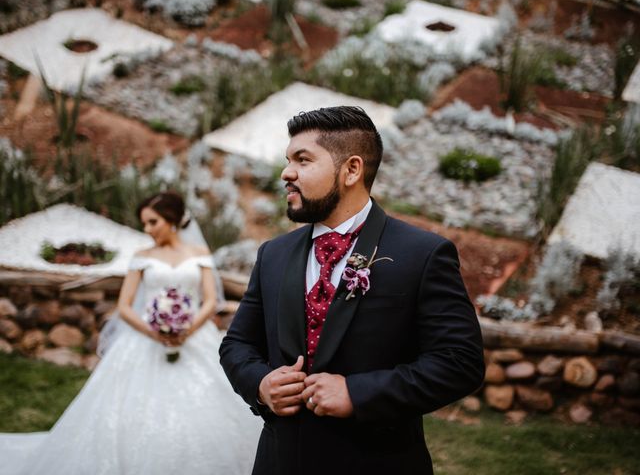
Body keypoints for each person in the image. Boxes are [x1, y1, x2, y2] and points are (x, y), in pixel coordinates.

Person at [219, 106, 485, 475]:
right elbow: (236, 345)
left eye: (303, 160)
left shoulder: (422, 254)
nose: (286, 172)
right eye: (288, 160)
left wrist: (358, 393)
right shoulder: (273, 255)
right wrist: (261, 384)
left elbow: (460, 362)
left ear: (352, 170)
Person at [0, 191, 261, 475]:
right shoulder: (142, 257)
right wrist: (154, 331)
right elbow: (125, 306)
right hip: (146, 339)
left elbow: (210, 300)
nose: (147, 230)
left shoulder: (199, 255)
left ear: (172, 220)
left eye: (153, 222)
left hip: (194, 336)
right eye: (144, 224)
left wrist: (187, 329)